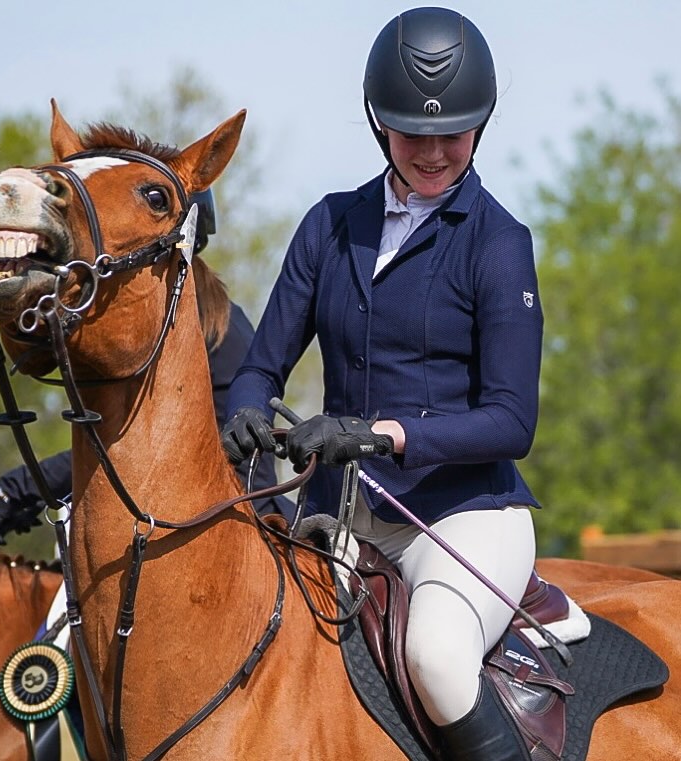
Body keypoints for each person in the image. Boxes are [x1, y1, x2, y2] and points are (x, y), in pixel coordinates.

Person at [221, 8, 542, 761]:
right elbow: (261, 367)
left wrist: (378, 434)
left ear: (480, 125)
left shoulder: (498, 244)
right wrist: (240, 407)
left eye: (452, 134)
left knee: (433, 653)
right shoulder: (329, 225)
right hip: (339, 517)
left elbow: (510, 419)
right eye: (411, 133)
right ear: (377, 124)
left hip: (460, 519)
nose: (432, 152)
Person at [0, 187, 293, 546]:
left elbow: (136, 449)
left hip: (224, 524)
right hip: (176, 515)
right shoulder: (202, 313)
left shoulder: (189, 325)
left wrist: (22, 486)